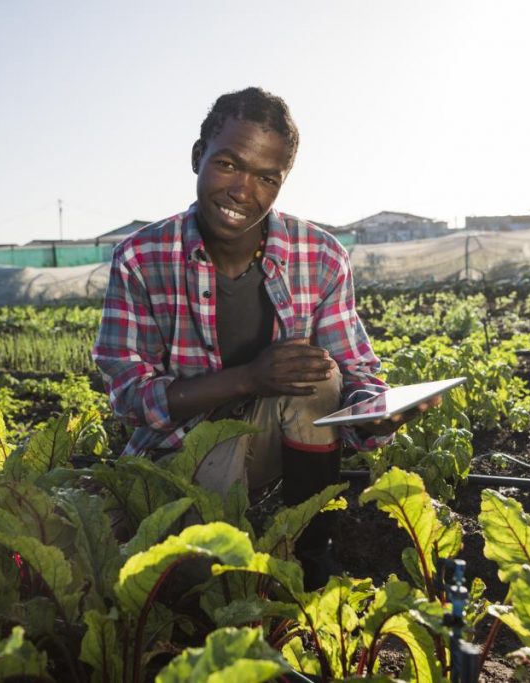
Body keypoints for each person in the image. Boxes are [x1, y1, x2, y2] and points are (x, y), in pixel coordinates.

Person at [93, 87, 434, 589]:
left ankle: (308, 557)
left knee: (317, 374)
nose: (242, 190)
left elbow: (357, 374)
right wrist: (249, 379)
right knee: (184, 585)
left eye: (266, 177)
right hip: (175, 458)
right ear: (197, 157)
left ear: (281, 182)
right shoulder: (142, 258)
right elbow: (129, 398)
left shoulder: (320, 256)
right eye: (228, 164)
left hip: (266, 450)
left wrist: (377, 412)